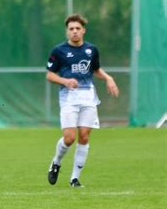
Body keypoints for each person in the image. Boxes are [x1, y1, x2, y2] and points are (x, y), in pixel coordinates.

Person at [46, 14, 119, 188]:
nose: (75, 32)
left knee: (84, 136)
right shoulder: (59, 51)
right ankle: (56, 162)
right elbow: (49, 75)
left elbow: (96, 70)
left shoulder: (91, 50)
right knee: (69, 138)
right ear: (67, 31)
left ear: (83, 30)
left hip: (88, 97)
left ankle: (74, 179)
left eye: (78, 28)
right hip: (69, 98)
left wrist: (108, 78)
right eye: (71, 29)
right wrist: (65, 81)